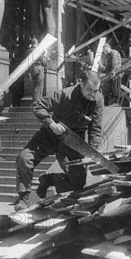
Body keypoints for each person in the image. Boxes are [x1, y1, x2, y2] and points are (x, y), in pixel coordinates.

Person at [15, 70, 103, 211]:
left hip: (73, 140)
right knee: (24, 158)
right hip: (51, 134)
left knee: (78, 184)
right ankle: (24, 198)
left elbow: (96, 128)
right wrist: (51, 123)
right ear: (81, 84)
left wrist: (93, 150)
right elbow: (37, 105)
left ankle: (49, 180)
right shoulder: (64, 94)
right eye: (90, 90)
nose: (92, 94)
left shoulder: (98, 99)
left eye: (96, 90)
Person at [28, 38, 47, 102]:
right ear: (37, 43)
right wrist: (45, 54)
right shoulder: (37, 50)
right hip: (39, 70)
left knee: (36, 87)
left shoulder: (29, 50)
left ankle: (36, 103)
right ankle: (37, 104)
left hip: (33, 70)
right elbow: (44, 62)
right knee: (39, 88)